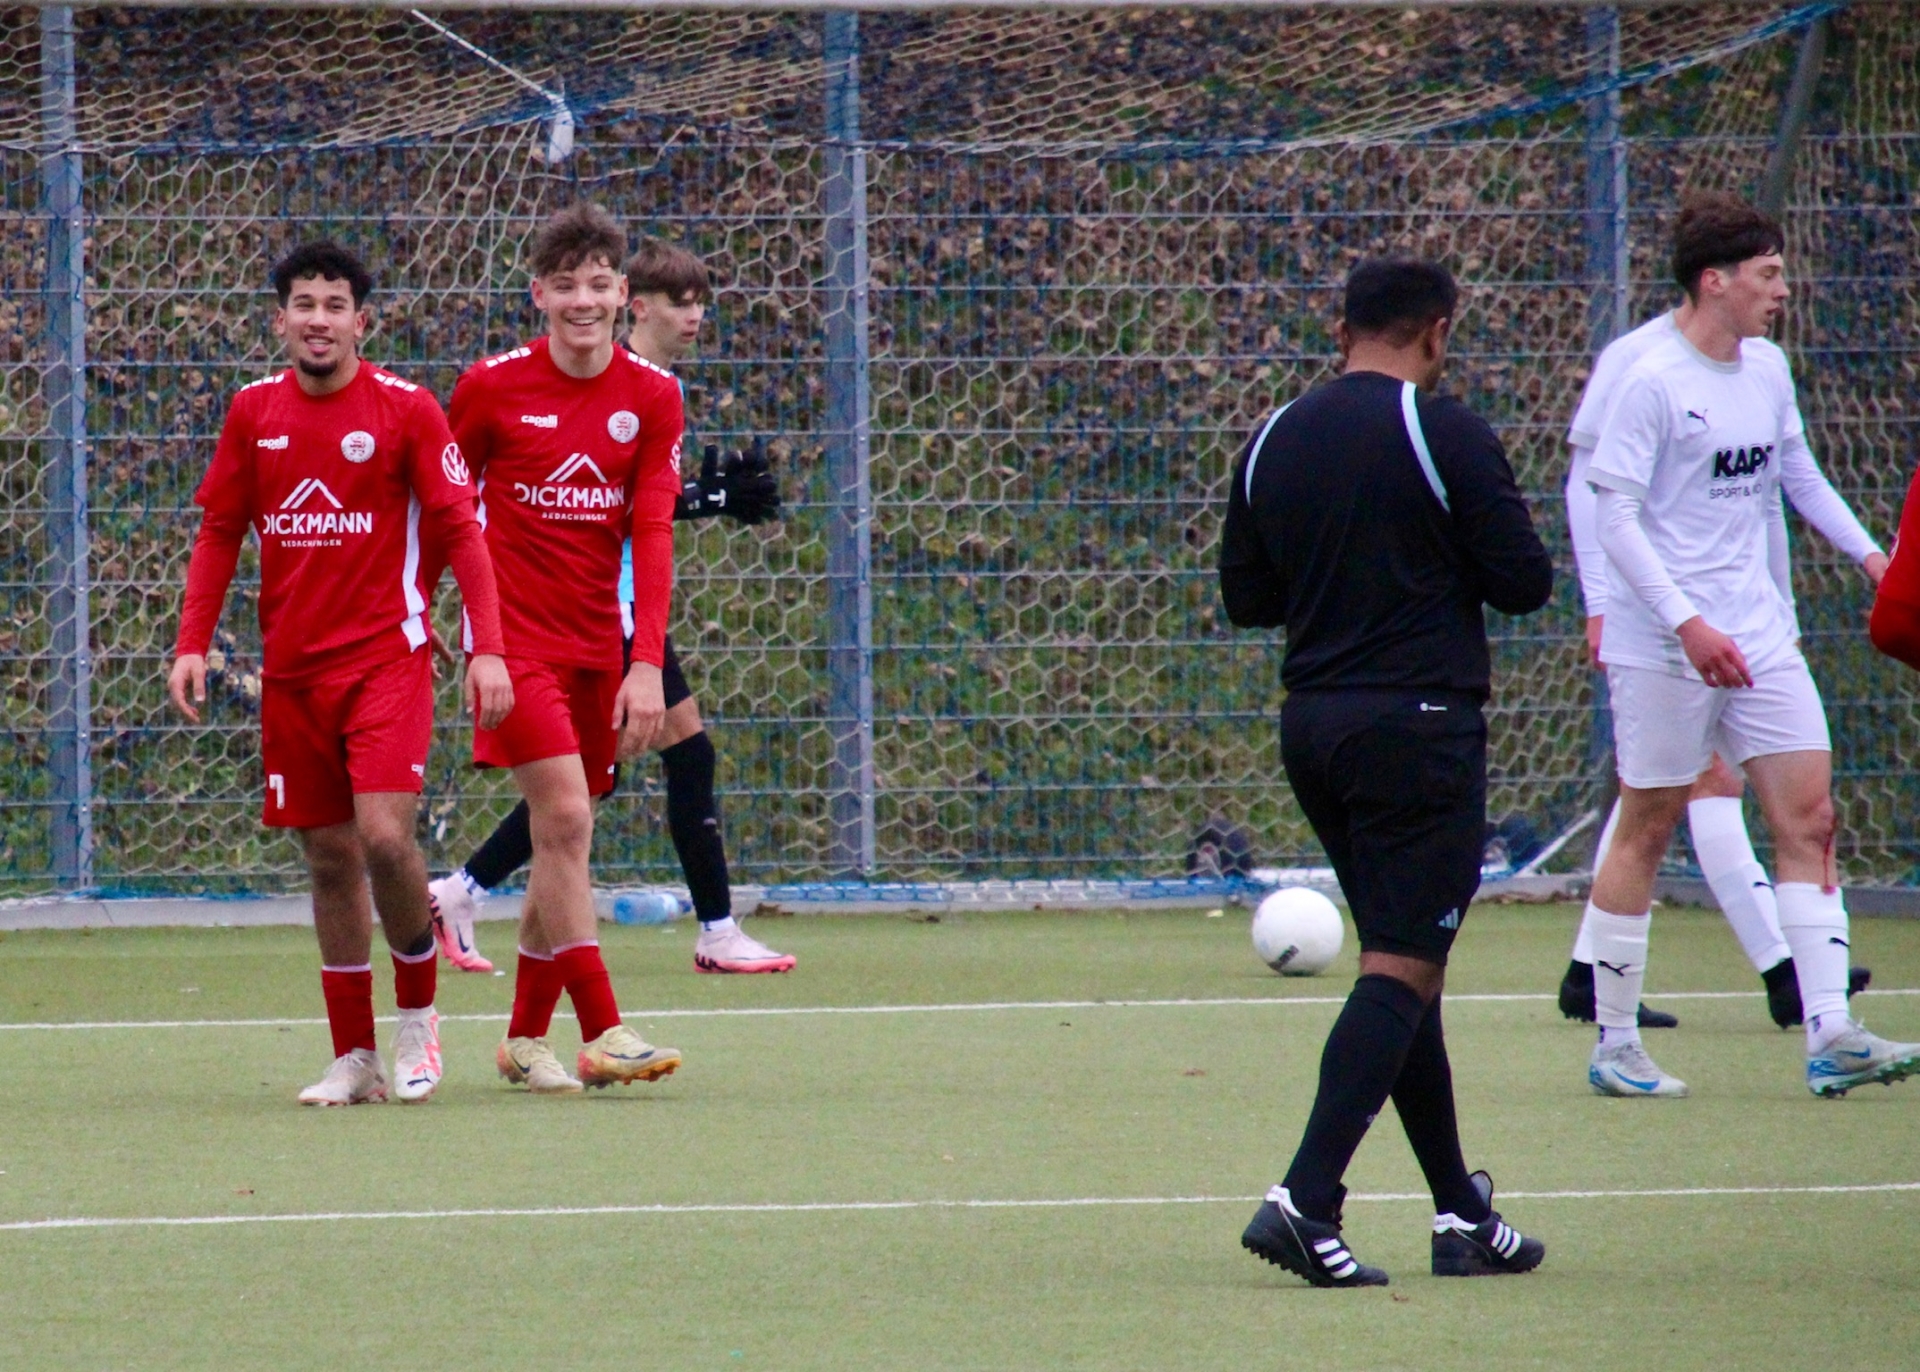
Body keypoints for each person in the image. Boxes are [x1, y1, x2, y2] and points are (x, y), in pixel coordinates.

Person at [1220, 257, 1551, 1287]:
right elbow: (1524, 580)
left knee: (1407, 968)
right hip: (1418, 731)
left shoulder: (1274, 434)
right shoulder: (1442, 429)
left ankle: (1462, 1214)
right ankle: (1303, 1199)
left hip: (1314, 728)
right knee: (1403, 966)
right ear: (1438, 332)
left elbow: (1247, 599)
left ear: (1341, 330)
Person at [1580, 192, 1919, 1099]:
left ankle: (1831, 1032)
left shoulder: (1768, 368)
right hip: (1666, 644)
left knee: (1811, 820)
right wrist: (1685, 623)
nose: (1782, 290)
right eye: (1768, 274)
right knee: (1648, 825)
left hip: (1761, 635)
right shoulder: (1652, 380)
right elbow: (1614, 517)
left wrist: (1871, 555)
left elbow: (1797, 472)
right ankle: (1616, 1044)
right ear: (1714, 281)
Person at [168, 241, 512, 1106]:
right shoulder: (253, 412)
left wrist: (489, 646)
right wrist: (191, 641)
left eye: (334, 306)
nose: (318, 320)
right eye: (303, 304)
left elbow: (461, 529)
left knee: (385, 837)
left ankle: (418, 1015)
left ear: (363, 322)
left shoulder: (406, 410)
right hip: (292, 674)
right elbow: (220, 531)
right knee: (327, 857)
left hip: (385, 661)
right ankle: (354, 1057)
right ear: (279, 320)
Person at [428, 239, 792, 978]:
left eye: (701, 303)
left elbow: (637, 506)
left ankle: (468, 899)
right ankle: (711, 932)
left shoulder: (655, 392)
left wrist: (701, 499)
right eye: (681, 302)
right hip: (589, 612)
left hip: (623, 611)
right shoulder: (565, 379)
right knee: (633, 775)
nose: (694, 316)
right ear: (640, 304)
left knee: (591, 791)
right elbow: (585, 502)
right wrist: (707, 499)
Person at [449, 203, 688, 1095]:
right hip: (513, 647)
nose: (582, 301)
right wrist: (478, 644)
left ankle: (521, 1039)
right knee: (565, 821)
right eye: (564, 286)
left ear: (623, 294)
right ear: (538, 296)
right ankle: (604, 1030)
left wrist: (645, 662)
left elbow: (653, 533)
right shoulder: (488, 389)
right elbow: (448, 517)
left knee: (564, 840)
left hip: (599, 646)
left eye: (597, 284)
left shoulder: (653, 398)